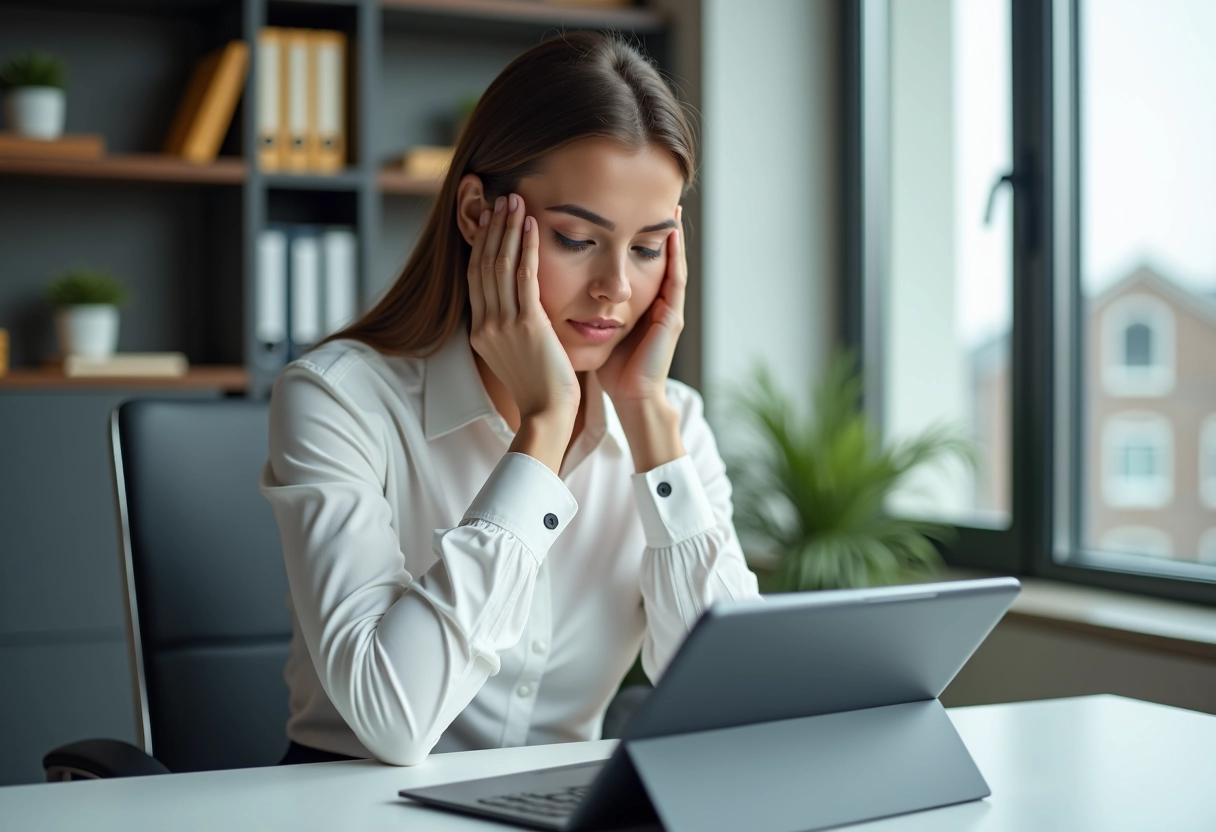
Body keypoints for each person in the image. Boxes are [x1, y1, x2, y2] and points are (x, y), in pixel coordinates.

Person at [260, 31, 759, 768]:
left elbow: (738, 702)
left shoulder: (671, 421)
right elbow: (391, 720)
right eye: (576, 238)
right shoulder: (339, 401)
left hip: (566, 808)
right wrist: (545, 432)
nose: (617, 288)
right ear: (474, 214)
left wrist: (650, 420)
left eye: (649, 247)